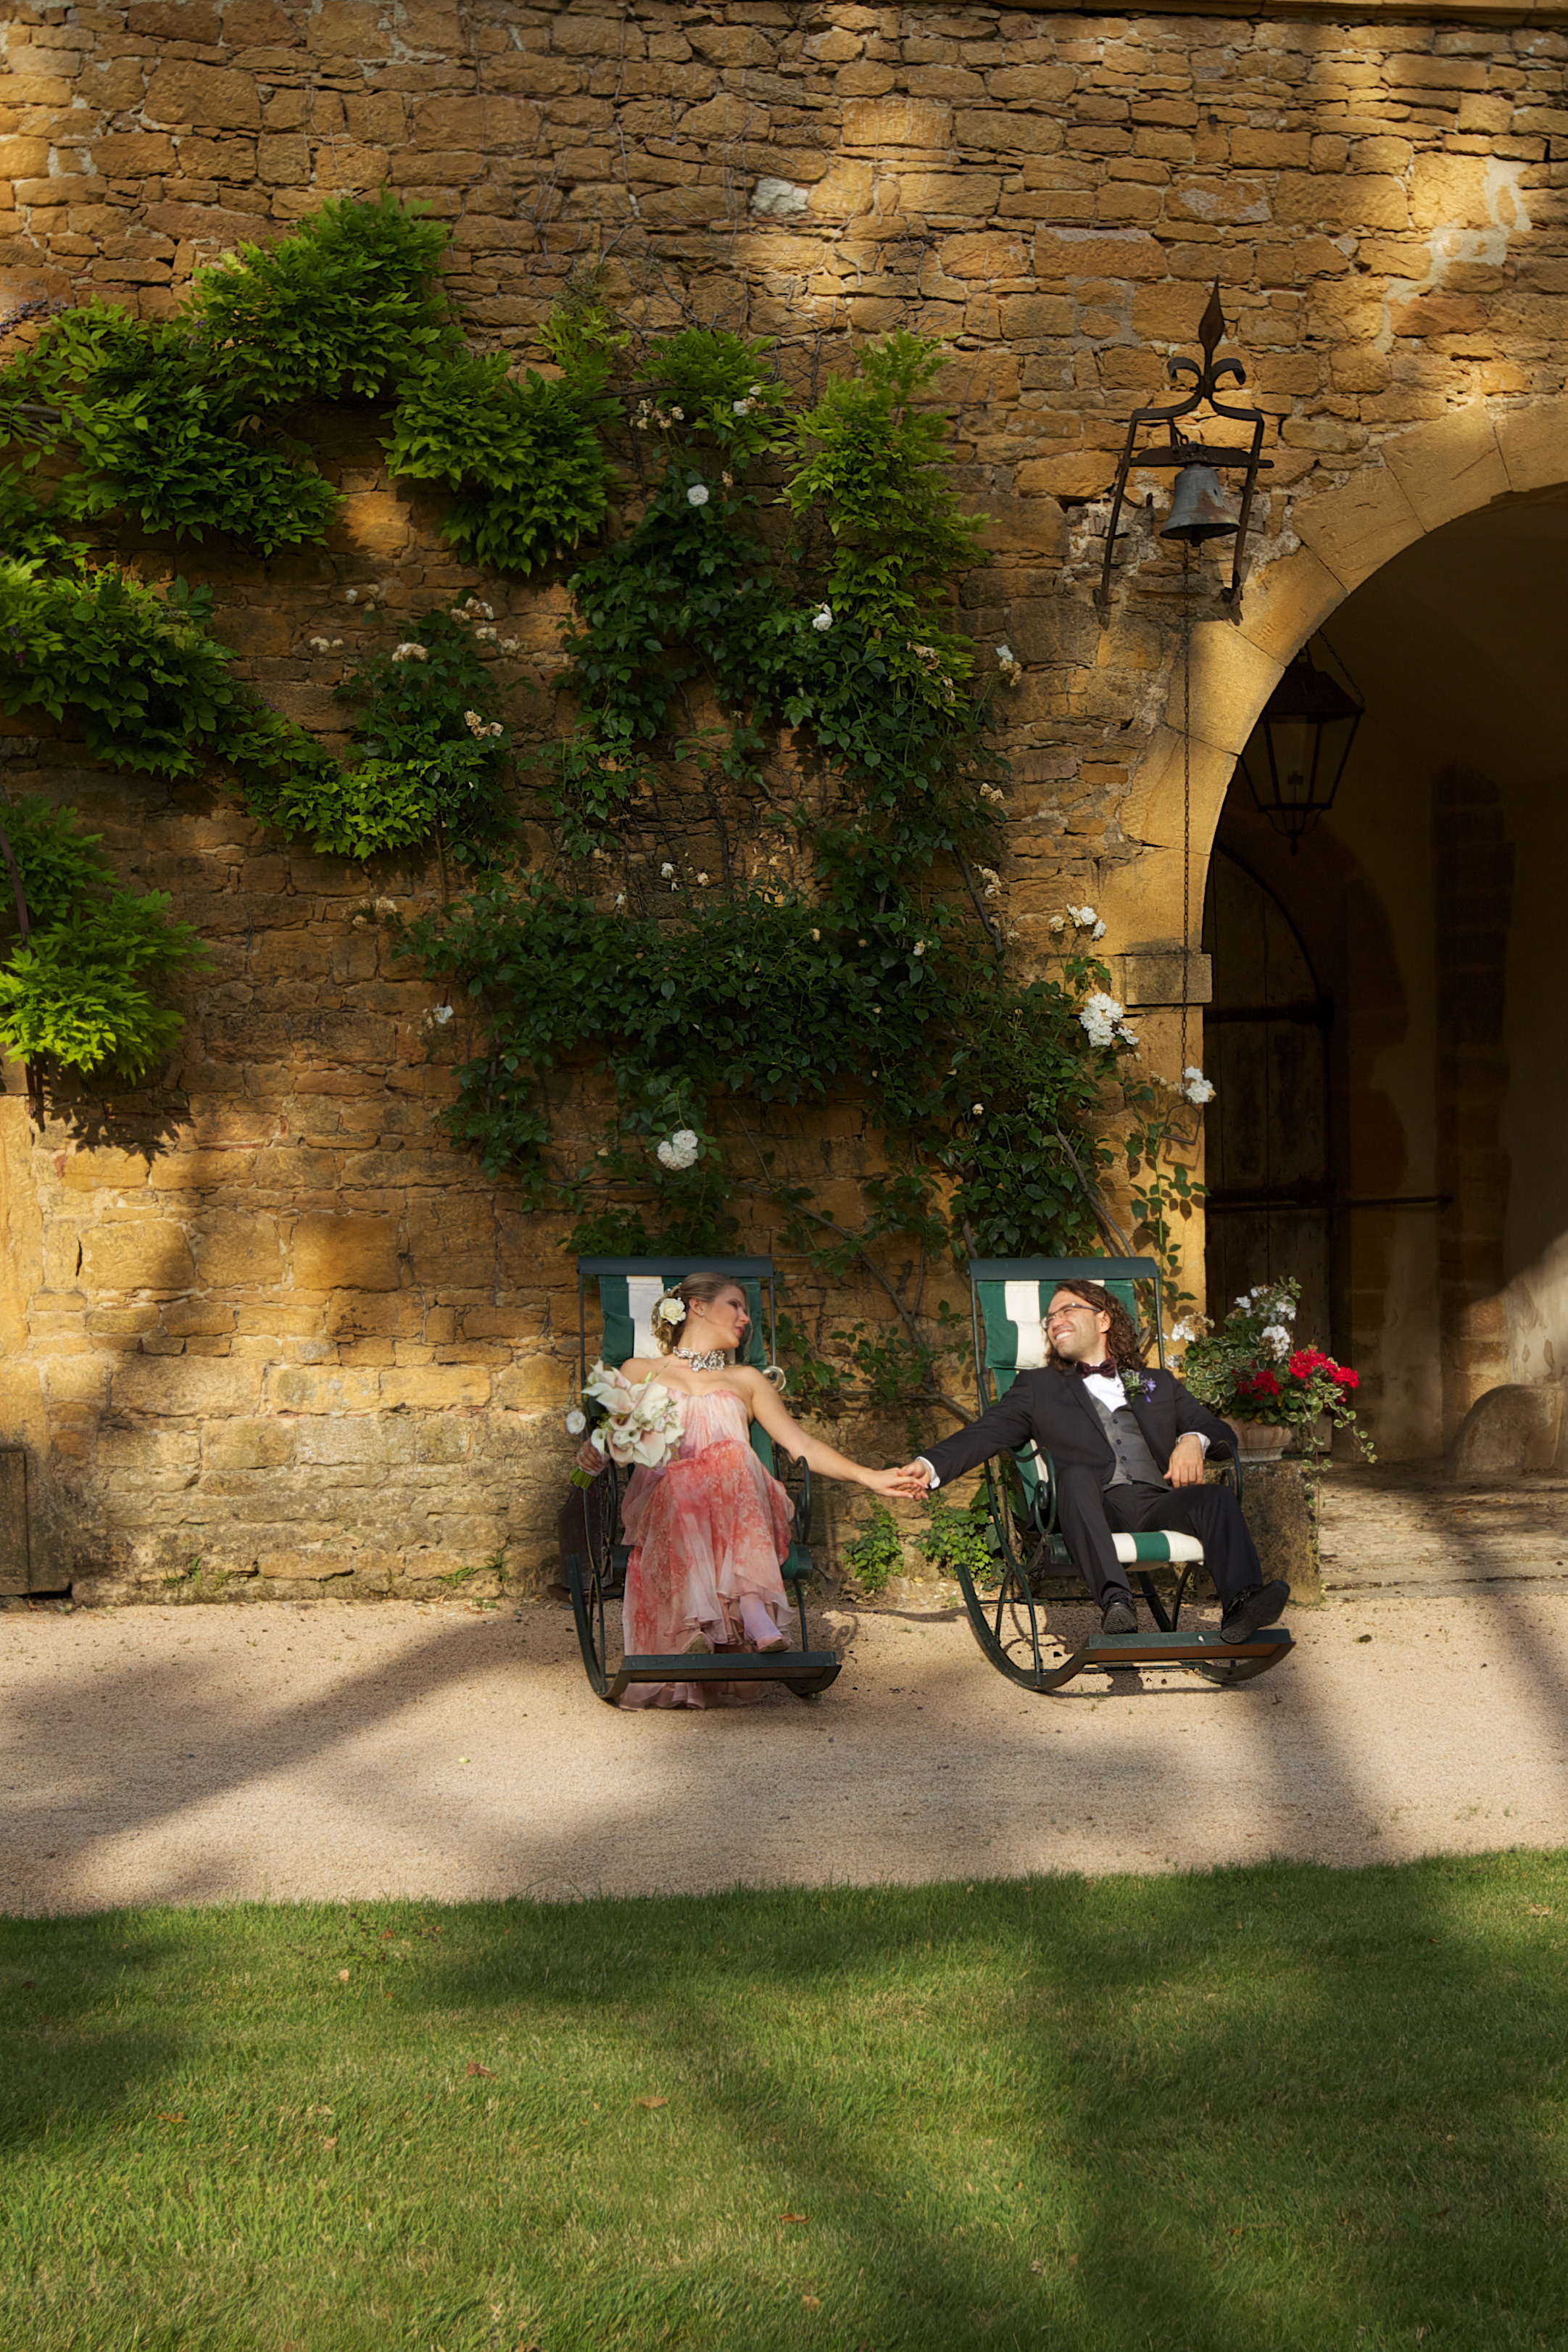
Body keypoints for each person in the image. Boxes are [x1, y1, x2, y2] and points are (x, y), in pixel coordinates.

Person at [893, 1279, 1289, 1640]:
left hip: (1157, 1503)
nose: (1054, 1321)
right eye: (1049, 1318)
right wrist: (929, 1468)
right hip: (1091, 1504)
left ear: (1102, 1319)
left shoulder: (1156, 1382)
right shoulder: (1037, 1387)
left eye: (1067, 1310)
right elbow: (986, 1432)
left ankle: (1240, 1606)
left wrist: (1191, 1439)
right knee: (1077, 1475)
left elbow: (1219, 1431)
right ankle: (1117, 1604)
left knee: (1214, 1499)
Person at [607, 1271, 910, 1709]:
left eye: (746, 1309)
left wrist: (870, 1476)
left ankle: (745, 1605)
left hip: (737, 1512)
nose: (746, 1318)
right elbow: (612, 1441)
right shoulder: (638, 1372)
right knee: (694, 1470)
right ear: (697, 1307)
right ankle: (728, 1616)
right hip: (666, 1510)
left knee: (732, 1456)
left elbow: (801, 1445)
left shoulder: (747, 1380)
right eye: (736, 1305)